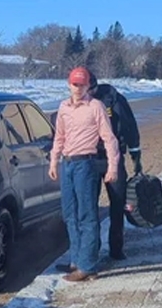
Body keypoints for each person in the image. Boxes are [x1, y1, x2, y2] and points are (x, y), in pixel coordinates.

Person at [49, 66, 120, 281]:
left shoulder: (96, 107)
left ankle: (87, 265)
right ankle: (76, 260)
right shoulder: (63, 108)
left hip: (86, 165)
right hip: (67, 164)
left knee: (87, 215)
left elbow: (110, 139)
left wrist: (113, 167)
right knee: (69, 214)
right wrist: (54, 161)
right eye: (74, 84)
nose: (78, 88)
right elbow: (59, 136)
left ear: (88, 86)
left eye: (82, 84)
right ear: (68, 84)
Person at [86, 70, 142, 260]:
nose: (87, 92)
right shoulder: (78, 101)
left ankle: (116, 248)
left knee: (118, 204)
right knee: (89, 206)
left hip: (114, 157)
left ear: (95, 85)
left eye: (90, 88)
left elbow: (130, 126)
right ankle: (92, 249)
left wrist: (136, 154)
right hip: (90, 158)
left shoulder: (115, 100)